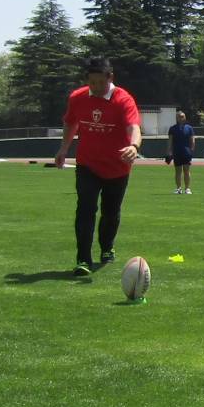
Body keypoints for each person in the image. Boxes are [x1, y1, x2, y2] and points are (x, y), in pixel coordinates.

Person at [55, 57, 141, 276]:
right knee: (85, 209)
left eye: (100, 82)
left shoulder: (123, 100)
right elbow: (71, 122)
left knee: (110, 212)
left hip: (117, 167)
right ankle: (83, 259)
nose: (96, 87)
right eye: (91, 82)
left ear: (110, 78)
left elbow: (133, 126)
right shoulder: (78, 98)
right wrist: (64, 149)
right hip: (87, 165)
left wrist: (134, 145)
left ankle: (106, 247)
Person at [166, 110, 195, 194]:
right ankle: (178, 188)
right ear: (177, 118)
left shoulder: (189, 128)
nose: (182, 118)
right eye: (180, 116)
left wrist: (191, 150)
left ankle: (187, 189)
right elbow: (170, 141)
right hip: (177, 152)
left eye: (183, 116)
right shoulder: (172, 128)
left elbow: (192, 140)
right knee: (178, 171)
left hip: (186, 152)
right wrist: (169, 152)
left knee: (186, 171)